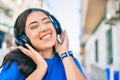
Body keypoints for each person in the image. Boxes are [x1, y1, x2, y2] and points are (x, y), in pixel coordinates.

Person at [0, 8, 86, 80]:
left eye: (47, 22)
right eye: (34, 26)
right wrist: (41, 69)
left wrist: (64, 53)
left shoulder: (69, 60)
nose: (44, 28)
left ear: (56, 27)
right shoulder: (16, 62)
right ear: (24, 38)